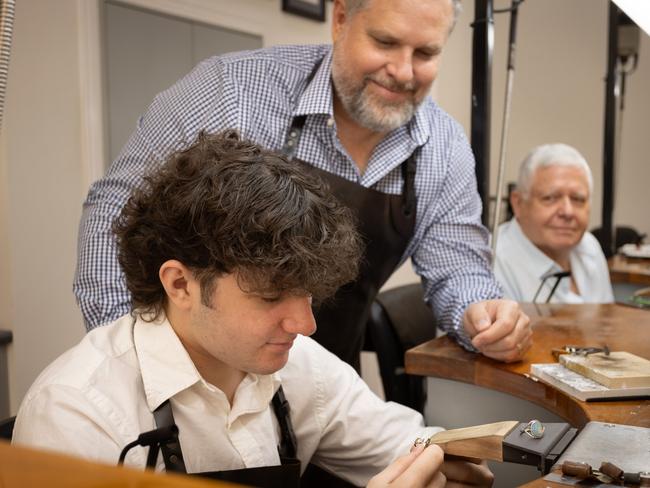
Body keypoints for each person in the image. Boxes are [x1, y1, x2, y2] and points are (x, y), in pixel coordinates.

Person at [15, 131, 494, 488]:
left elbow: (418, 446)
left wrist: (453, 459)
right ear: (180, 283)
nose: (304, 324)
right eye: (270, 296)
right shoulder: (78, 414)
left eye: (307, 294)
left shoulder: (301, 368)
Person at [74, 0, 531, 367]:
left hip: (326, 384)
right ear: (339, 19)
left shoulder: (443, 147)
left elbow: (459, 269)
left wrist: (483, 315)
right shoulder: (232, 91)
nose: (404, 71)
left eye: (426, 53)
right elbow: (117, 216)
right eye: (385, 41)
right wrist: (140, 359)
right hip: (205, 371)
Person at [494, 143, 614, 303]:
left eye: (578, 199)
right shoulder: (492, 261)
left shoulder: (589, 246)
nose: (567, 212)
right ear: (518, 203)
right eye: (550, 198)